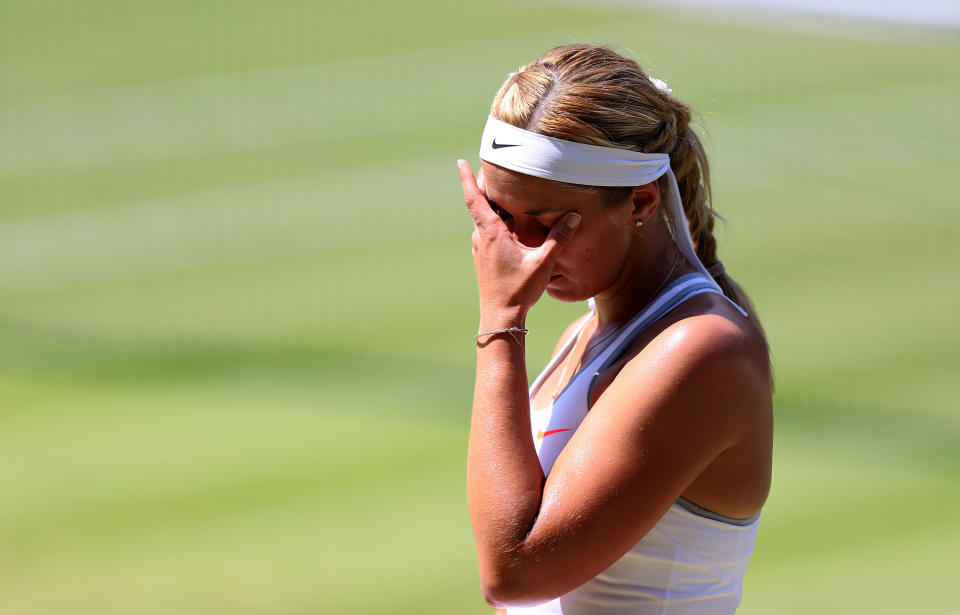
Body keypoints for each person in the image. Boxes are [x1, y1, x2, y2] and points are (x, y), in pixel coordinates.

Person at [458, 45, 773, 615]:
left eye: (551, 224)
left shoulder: (701, 352)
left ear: (641, 202)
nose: (518, 252)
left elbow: (513, 573)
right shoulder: (578, 340)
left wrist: (500, 323)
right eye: (498, 217)